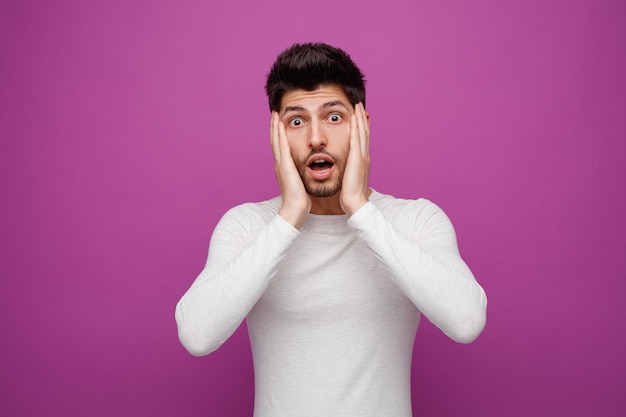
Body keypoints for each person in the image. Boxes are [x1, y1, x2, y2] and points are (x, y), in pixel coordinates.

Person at [175, 42, 487, 417]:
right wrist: (290, 216)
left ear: (363, 127)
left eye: (334, 117)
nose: (316, 138)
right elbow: (196, 335)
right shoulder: (247, 226)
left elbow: (466, 322)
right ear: (276, 134)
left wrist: (359, 209)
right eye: (296, 121)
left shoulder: (415, 221)